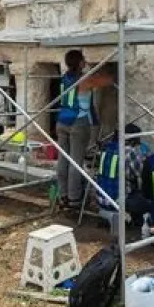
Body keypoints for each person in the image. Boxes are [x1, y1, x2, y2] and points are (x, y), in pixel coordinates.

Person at [55, 50, 113, 210]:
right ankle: (74, 199)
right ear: (80, 63)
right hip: (77, 123)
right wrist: (101, 68)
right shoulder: (84, 80)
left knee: (63, 160)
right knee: (76, 162)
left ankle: (63, 196)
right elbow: (108, 80)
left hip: (61, 121)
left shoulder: (64, 78)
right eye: (83, 60)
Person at [94, 123, 151, 226]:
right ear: (132, 139)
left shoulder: (105, 148)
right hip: (117, 201)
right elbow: (143, 175)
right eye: (138, 139)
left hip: (101, 199)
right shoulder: (130, 151)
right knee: (150, 198)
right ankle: (138, 222)